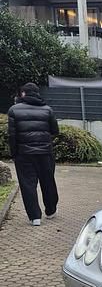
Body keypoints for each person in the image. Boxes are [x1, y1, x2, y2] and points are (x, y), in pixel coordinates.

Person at [8, 83, 60, 226]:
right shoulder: (47, 110)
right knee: (48, 181)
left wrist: (14, 154)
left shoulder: (13, 110)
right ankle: (50, 211)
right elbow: (55, 131)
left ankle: (34, 217)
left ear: (23, 94)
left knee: (28, 184)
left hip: (24, 154)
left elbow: (12, 136)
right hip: (45, 153)